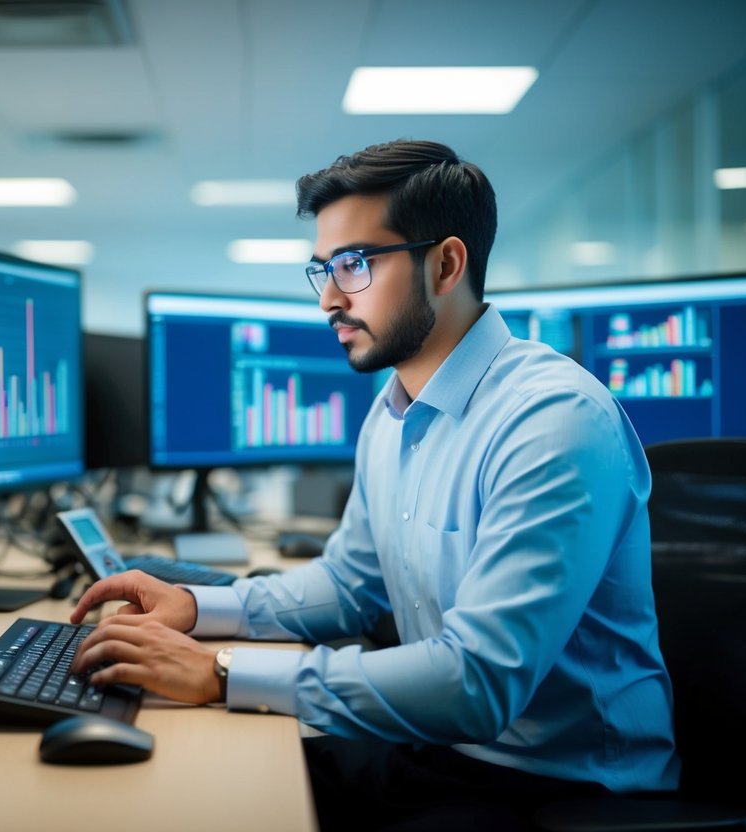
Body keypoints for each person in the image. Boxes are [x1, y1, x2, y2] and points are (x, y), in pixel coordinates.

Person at [70, 139, 679, 830]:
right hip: (440, 754)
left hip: (561, 791)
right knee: (195, 796)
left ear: (445, 264)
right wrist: (193, 606)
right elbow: (348, 585)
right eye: (322, 269)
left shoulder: (552, 420)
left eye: (354, 265)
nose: (328, 299)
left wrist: (218, 671)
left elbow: (478, 685)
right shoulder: (392, 411)